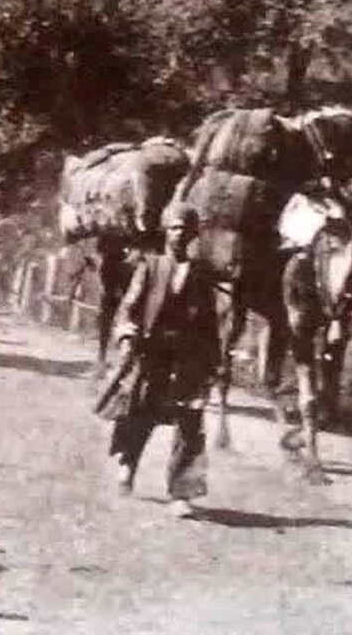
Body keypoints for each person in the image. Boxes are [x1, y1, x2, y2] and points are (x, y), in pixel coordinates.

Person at [106, 202, 220, 519]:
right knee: (140, 411)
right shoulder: (151, 266)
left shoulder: (200, 274)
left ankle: (181, 492)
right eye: (174, 228)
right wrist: (127, 334)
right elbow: (130, 305)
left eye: (186, 229)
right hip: (151, 352)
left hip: (187, 357)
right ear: (166, 232)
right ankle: (128, 462)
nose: (180, 234)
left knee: (189, 422)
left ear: (194, 233)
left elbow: (210, 321)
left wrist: (213, 362)